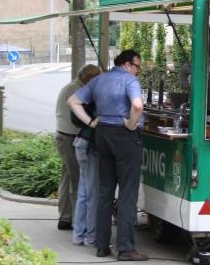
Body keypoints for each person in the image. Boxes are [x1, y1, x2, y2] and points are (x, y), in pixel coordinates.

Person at [68, 49, 148, 261]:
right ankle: (126, 248)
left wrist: (91, 122)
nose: (138, 71)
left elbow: (73, 101)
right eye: (138, 66)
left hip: (102, 134)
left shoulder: (99, 80)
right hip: (125, 138)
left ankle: (102, 245)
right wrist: (131, 124)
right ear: (128, 64)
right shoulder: (130, 81)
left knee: (105, 191)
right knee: (127, 193)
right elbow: (137, 106)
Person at [55, 64, 102, 230]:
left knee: (67, 176)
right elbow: (82, 115)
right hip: (70, 136)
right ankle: (77, 221)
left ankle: (65, 217)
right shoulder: (77, 90)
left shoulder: (71, 87)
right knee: (77, 179)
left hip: (63, 135)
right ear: (89, 78)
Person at [71, 71, 101, 247]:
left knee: (84, 192)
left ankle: (78, 234)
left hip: (80, 142)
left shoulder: (87, 94)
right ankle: (91, 236)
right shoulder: (98, 96)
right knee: (92, 194)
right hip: (91, 146)